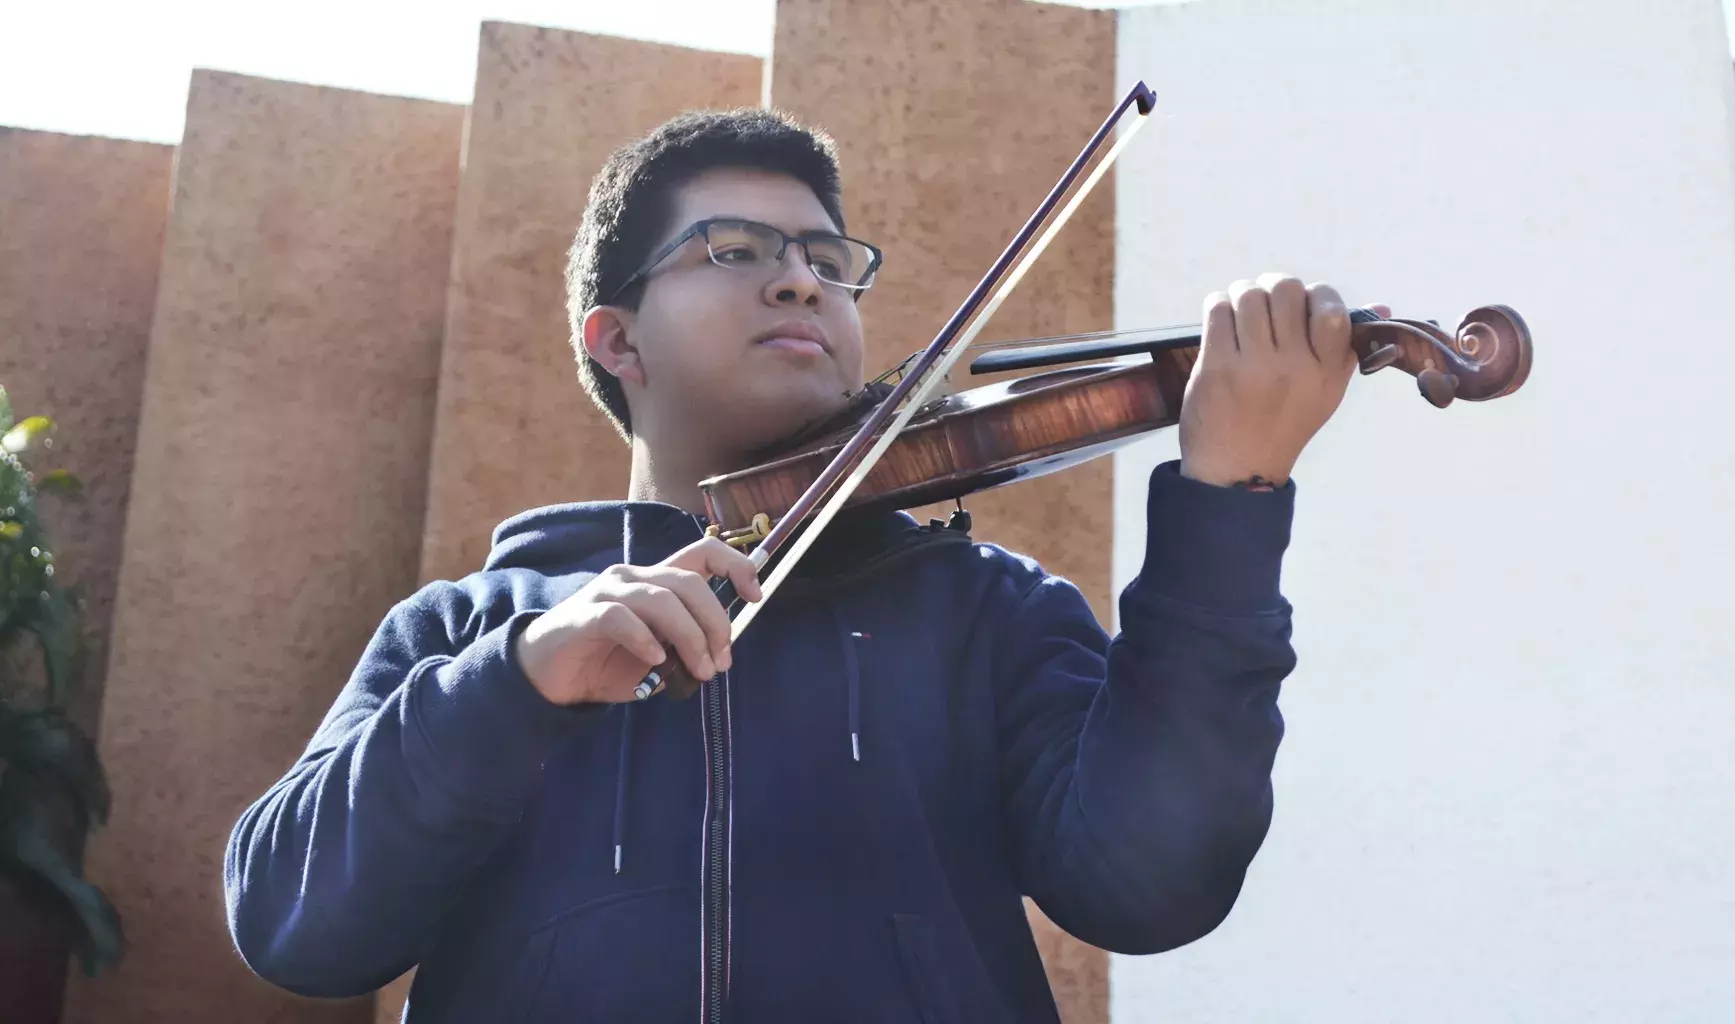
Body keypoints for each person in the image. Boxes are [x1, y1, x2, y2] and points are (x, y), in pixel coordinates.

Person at [223, 107, 1380, 1023]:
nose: (801, 281)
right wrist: (519, 678)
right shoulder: (471, 628)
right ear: (616, 338)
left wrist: (1229, 503)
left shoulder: (987, 612)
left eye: (829, 259)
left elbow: (1154, 881)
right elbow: (294, 925)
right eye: (735, 251)